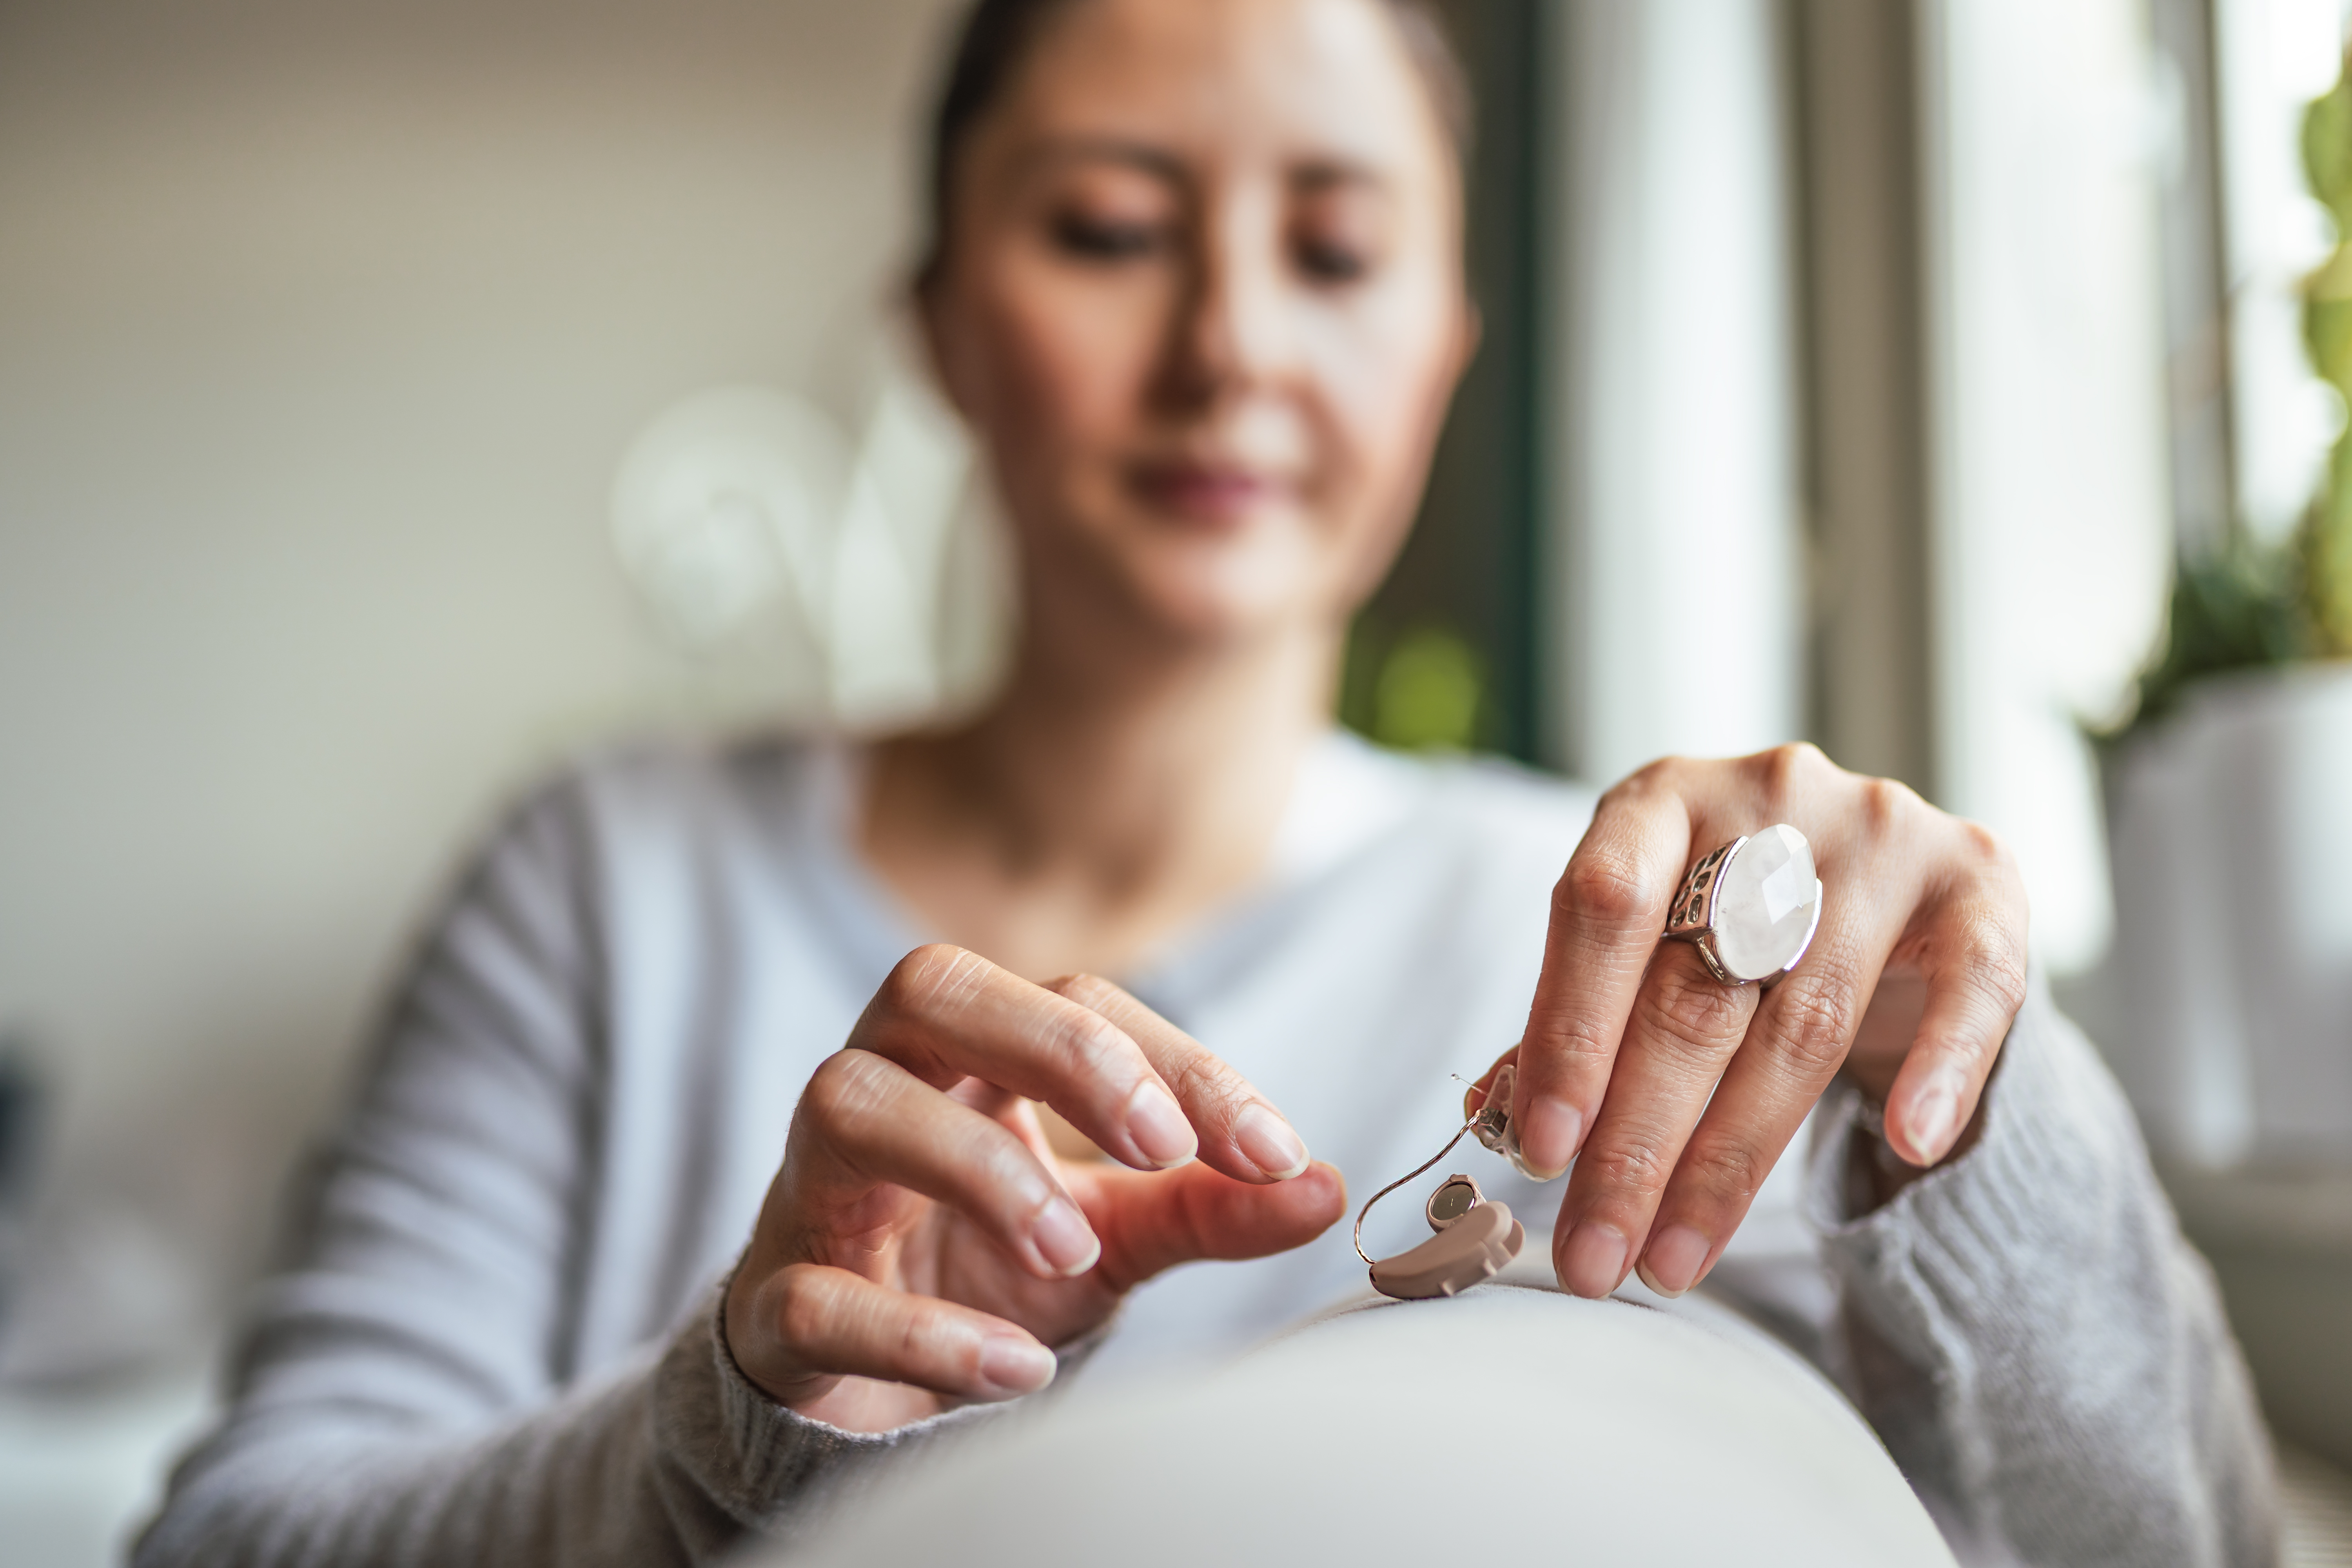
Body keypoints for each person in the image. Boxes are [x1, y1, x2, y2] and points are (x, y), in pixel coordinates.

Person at [134, 1, 2278, 1564]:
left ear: (1446, 340)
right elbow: (238, 1540)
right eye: (1105, 228)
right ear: (944, 324)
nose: (1233, 342)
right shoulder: (606, 882)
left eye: (1335, 253)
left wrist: (1970, 1105)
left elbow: (2169, 1542)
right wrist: (747, 1416)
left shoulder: (1646, 979)